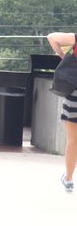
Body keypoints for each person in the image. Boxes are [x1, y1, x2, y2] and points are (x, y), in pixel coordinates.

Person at [47, 32, 76, 192]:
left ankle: (69, 179)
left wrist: (63, 56)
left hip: (74, 95)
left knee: (73, 140)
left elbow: (51, 37)